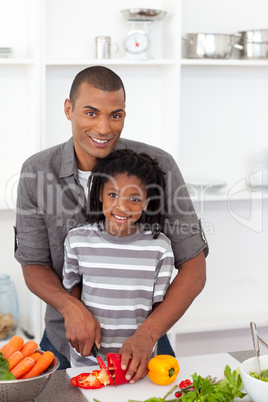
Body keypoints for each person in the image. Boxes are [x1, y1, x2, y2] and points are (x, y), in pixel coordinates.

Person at [14, 65, 208, 382]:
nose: (104, 128)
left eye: (115, 115)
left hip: (145, 349)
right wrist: (70, 307)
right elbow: (33, 264)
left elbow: (194, 267)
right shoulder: (37, 172)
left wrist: (148, 334)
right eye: (91, 113)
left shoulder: (159, 166)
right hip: (64, 346)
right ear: (68, 109)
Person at [62, 149, 175, 370]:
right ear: (100, 195)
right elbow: (72, 291)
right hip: (88, 362)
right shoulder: (77, 241)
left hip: (137, 363)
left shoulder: (160, 248)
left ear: (146, 201)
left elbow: (159, 308)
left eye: (134, 198)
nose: (122, 206)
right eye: (113, 195)